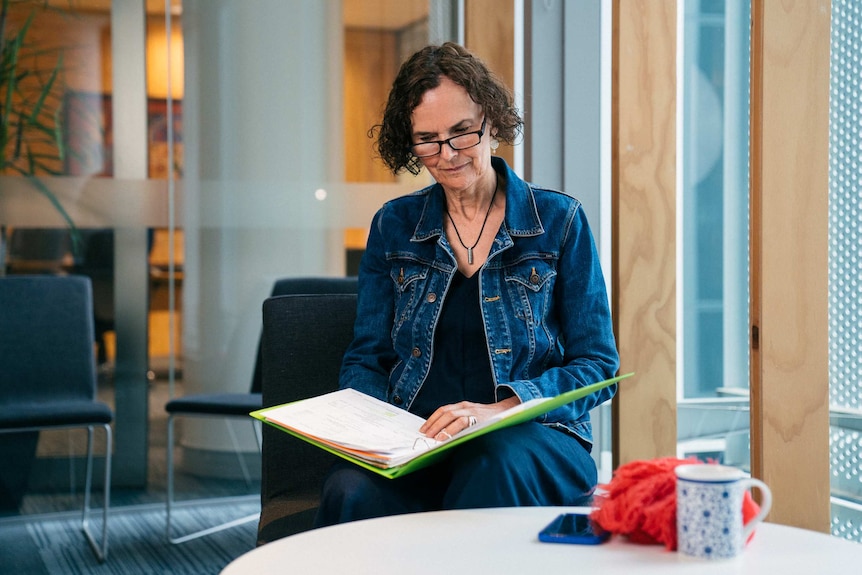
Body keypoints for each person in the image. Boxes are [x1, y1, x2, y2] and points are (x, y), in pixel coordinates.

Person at [314, 42, 619, 527]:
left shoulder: (559, 221)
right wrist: (372, 427)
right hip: (417, 440)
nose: (448, 154)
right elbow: (367, 357)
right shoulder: (394, 225)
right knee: (350, 491)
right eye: (428, 139)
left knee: (489, 463)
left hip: (531, 438)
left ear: (492, 124)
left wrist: (499, 410)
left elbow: (599, 366)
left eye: (462, 133)